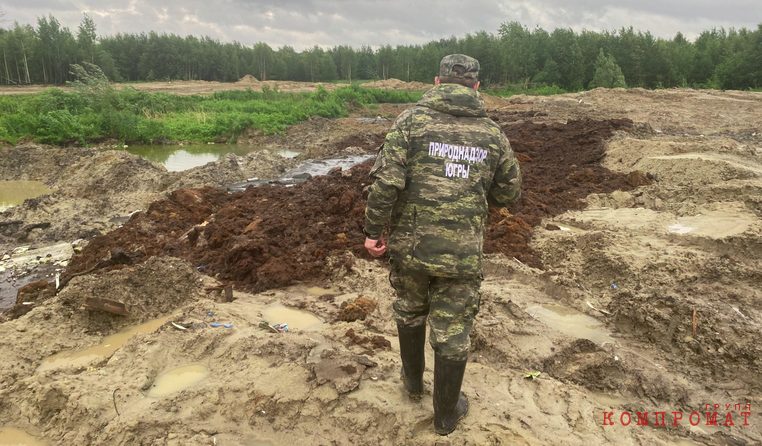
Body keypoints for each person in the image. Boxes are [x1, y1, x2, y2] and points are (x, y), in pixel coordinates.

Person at [363, 54, 522, 435]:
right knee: (452, 331)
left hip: (411, 247)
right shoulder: (492, 134)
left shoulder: (410, 122)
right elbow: (509, 193)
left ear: (438, 81)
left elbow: (386, 182)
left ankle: (413, 383)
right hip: (462, 254)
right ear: (476, 86)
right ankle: (446, 415)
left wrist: (373, 230)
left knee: (410, 308)